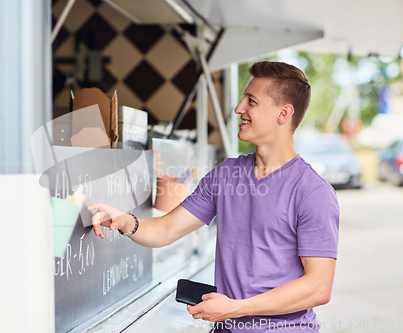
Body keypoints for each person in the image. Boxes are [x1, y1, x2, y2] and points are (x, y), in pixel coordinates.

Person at [88, 61, 339, 333]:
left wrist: (235, 308)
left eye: (251, 101)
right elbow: (168, 228)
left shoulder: (313, 192)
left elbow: (318, 287)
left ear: (283, 113)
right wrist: (125, 221)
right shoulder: (226, 175)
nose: (238, 108)